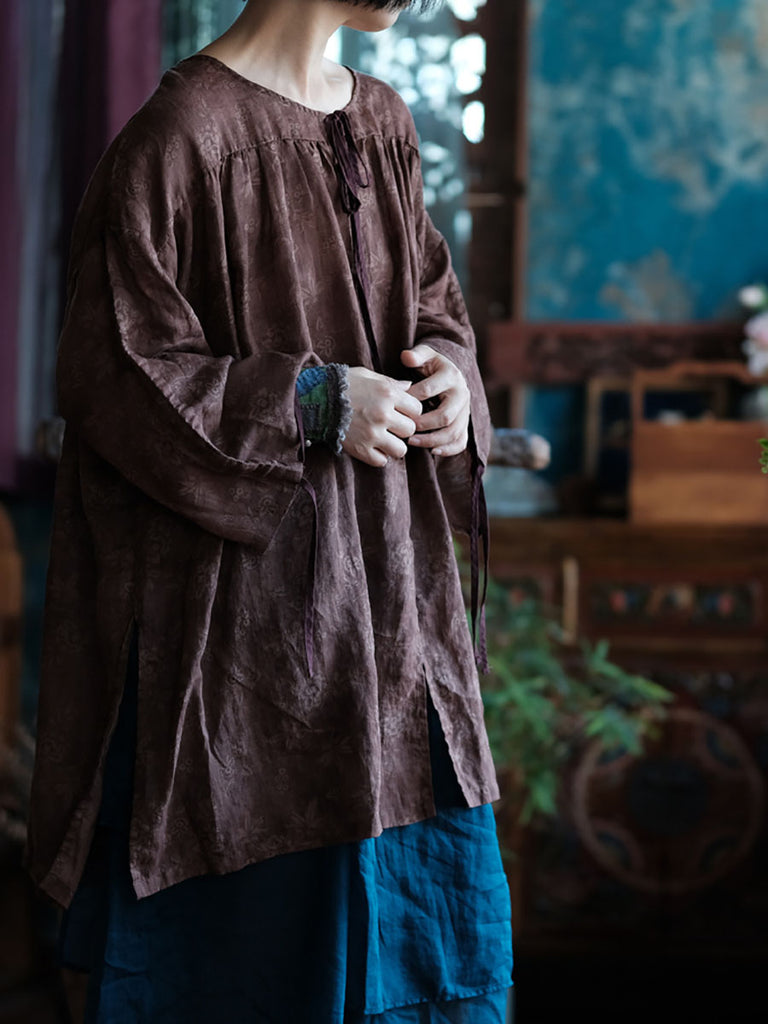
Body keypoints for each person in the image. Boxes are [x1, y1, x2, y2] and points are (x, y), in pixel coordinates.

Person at [25, 0, 514, 1020]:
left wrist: (452, 378)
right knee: (250, 971)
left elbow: (432, 300)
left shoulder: (381, 119)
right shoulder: (180, 136)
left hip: (394, 623)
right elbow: (118, 377)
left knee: (424, 953)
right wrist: (313, 401)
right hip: (252, 649)